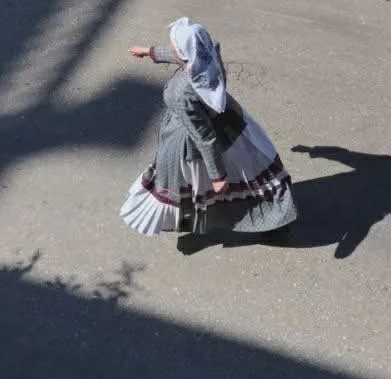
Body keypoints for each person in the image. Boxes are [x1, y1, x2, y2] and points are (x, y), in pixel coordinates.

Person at [122, 24, 297, 247]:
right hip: (231, 123)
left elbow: (203, 136)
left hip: (192, 141)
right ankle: (276, 218)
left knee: (188, 183)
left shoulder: (183, 93)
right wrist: (151, 51)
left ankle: (200, 219)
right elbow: (188, 54)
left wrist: (217, 175)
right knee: (252, 170)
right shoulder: (208, 49)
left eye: (173, 45)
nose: (171, 47)